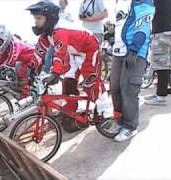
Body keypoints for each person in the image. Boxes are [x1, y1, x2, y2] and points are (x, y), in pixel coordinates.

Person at [27, 0, 111, 132]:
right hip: (73, 53)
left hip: (88, 50)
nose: (36, 22)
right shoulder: (47, 33)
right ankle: (71, 110)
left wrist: (55, 73)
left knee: (91, 82)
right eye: (35, 18)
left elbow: (59, 54)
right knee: (68, 82)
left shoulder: (60, 31)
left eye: (39, 18)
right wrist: (32, 67)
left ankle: (106, 111)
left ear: (49, 18)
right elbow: (39, 51)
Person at [110, 0, 155, 142]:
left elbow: (144, 26)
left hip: (134, 51)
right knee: (115, 88)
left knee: (128, 89)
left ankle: (130, 127)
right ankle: (119, 121)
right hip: (118, 51)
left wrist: (134, 50)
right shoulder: (119, 3)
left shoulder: (142, 1)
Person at [0, 24, 41, 98]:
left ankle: (26, 95)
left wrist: (2, 68)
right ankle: (23, 90)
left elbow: (12, 58)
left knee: (21, 74)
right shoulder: (7, 45)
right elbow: (2, 57)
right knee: (15, 73)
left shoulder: (14, 44)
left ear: (4, 38)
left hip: (32, 57)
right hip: (23, 59)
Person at [144, 0, 171, 106]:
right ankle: (160, 93)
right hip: (169, 30)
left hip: (162, 31)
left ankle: (160, 97)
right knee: (164, 64)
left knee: (161, 64)